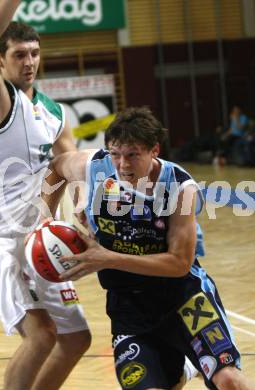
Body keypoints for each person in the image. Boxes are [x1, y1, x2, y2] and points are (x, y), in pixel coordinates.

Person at [41, 106, 253, 389]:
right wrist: (45, 219)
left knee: (229, 381)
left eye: (132, 155)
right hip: (128, 306)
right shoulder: (96, 167)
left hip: (183, 297)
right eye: (116, 154)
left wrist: (107, 258)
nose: (122, 164)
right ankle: (182, 364)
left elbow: (179, 263)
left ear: (154, 150)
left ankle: (186, 360)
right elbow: (56, 167)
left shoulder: (179, 188)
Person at [0, 1, 91, 389]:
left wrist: (81, 206)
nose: (29, 61)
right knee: (42, 334)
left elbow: (64, 165)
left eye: (34, 53)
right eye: (18, 54)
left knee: (76, 338)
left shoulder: (55, 113)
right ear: (0, 61)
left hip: (34, 236)